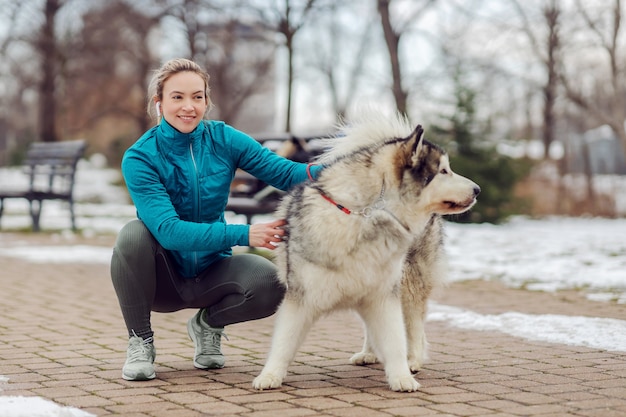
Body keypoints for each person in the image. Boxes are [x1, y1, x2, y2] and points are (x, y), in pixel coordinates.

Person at [110, 58, 322, 381]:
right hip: (162, 282)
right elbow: (169, 232)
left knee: (270, 282)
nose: (188, 107)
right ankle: (140, 340)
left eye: (197, 97)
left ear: (207, 101)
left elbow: (287, 173)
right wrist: (245, 234)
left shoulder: (224, 139)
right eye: (177, 97)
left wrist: (351, 168)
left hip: (212, 273)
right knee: (133, 235)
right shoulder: (140, 157)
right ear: (159, 102)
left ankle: (207, 324)